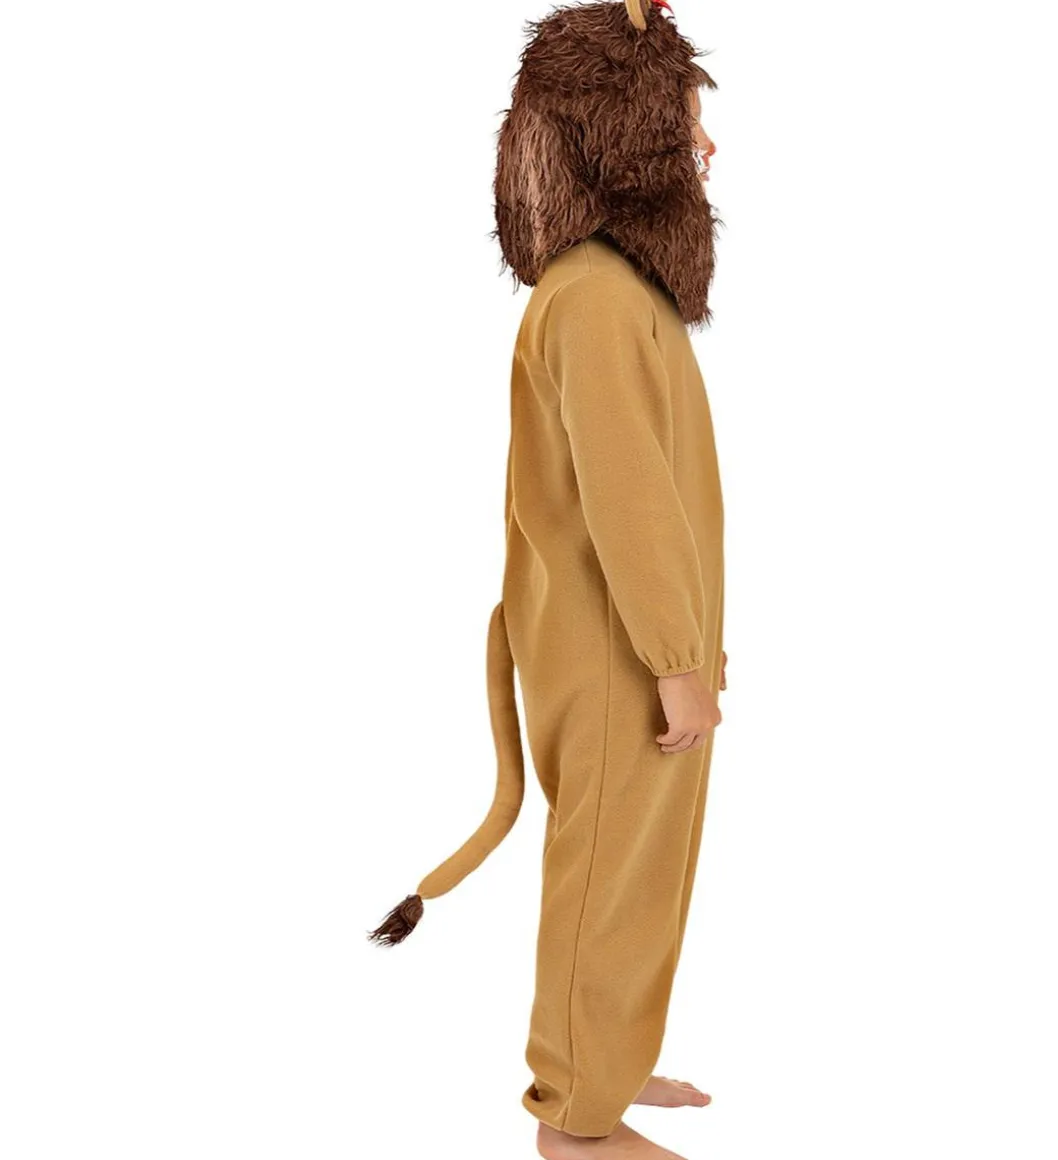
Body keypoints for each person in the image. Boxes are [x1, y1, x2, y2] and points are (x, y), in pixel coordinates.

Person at [369, 3, 727, 1156]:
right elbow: (626, 496)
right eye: (682, 116)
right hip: (617, 646)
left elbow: (654, 491)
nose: (704, 142)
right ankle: (573, 1115)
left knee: (638, 860)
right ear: (624, 128)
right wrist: (673, 659)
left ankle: (603, 1054)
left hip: (638, 640)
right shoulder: (593, 298)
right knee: (609, 860)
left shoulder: (619, 291)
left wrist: (691, 648)